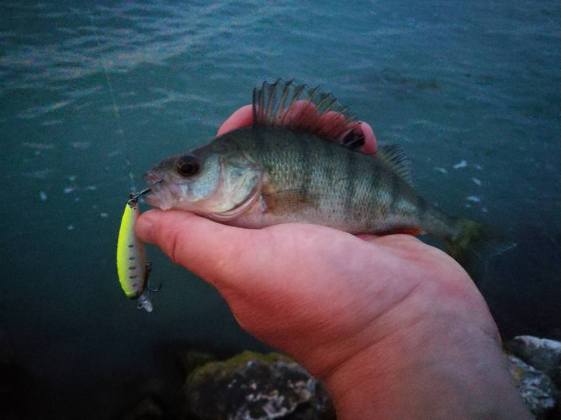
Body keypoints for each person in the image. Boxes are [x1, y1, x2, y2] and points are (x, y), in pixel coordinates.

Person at [136, 106, 531, 419]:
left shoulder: (257, 191)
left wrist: (391, 333)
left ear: (246, 171)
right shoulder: (238, 199)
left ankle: (462, 236)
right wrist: (390, 332)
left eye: (190, 169)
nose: (176, 177)